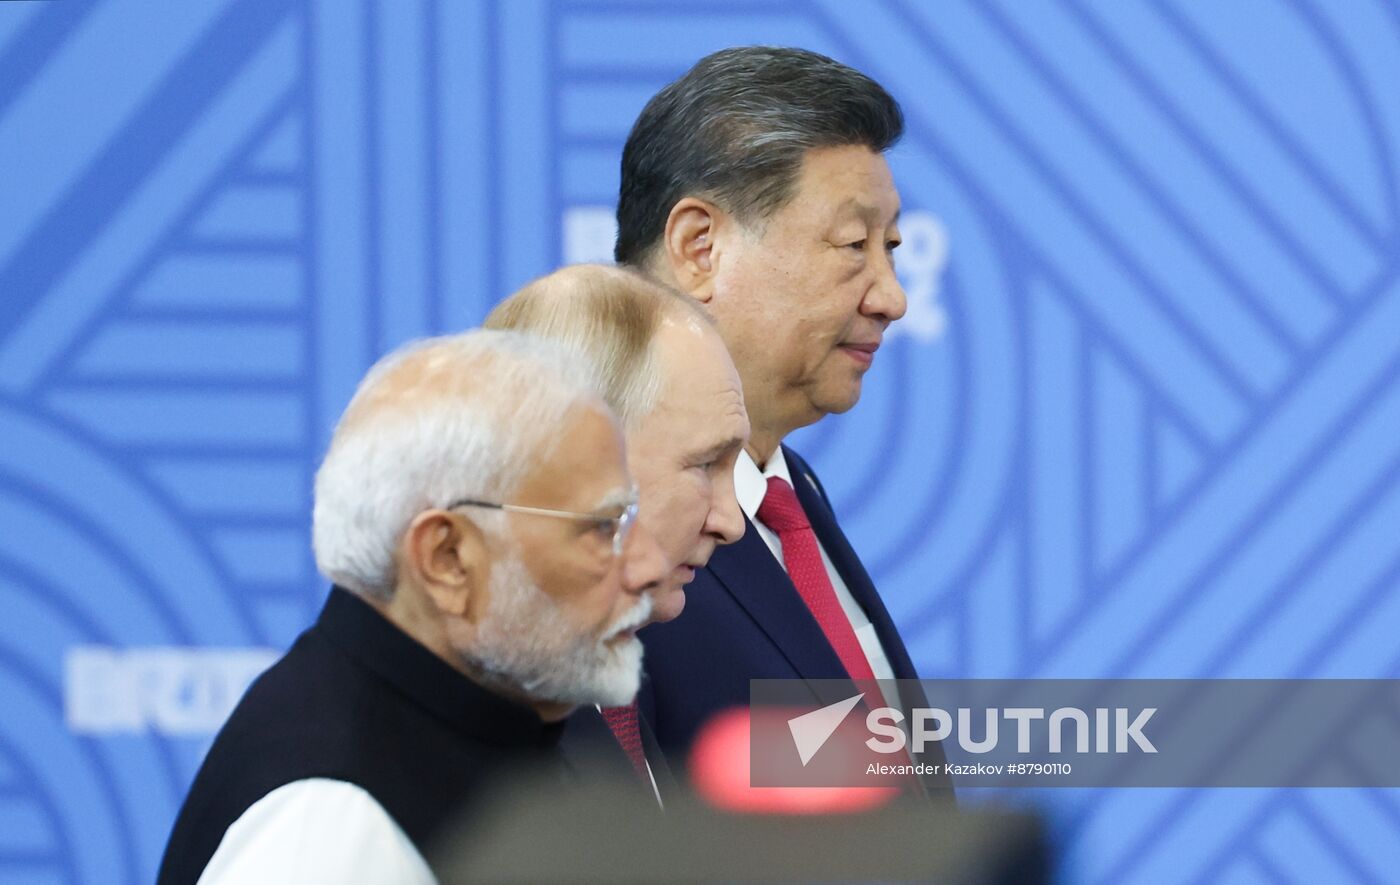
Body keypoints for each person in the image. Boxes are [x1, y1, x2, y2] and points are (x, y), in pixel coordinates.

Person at [158, 330, 668, 884]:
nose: (649, 565)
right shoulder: (330, 831)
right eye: (602, 528)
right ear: (447, 558)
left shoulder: (501, 723)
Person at [615, 45, 949, 787]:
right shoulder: (595, 514)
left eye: (891, 249)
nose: (891, 297)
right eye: (854, 245)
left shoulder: (787, 490)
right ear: (700, 247)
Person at [485, 263, 749, 802]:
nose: (733, 522)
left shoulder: (615, 678)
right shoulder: (478, 731)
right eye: (705, 466)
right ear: (580, 458)